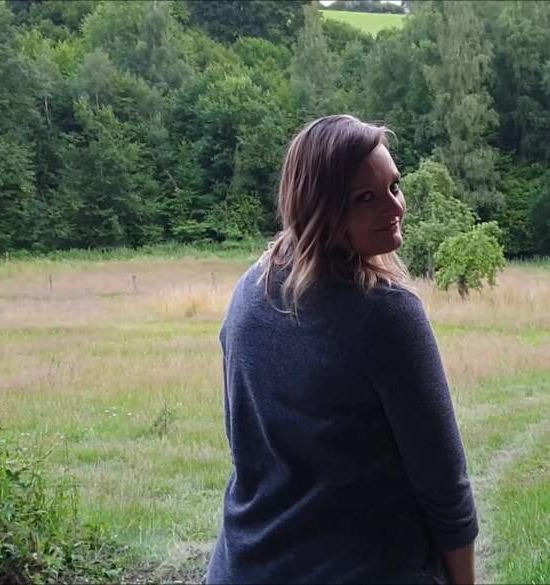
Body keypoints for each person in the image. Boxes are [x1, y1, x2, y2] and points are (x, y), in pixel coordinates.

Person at [205, 115, 478, 584]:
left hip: (241, 567)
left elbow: (247, 447)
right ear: (320, 207)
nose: (394, 207)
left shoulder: (250, 289)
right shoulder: (386, 315)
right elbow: (444, 486)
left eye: (394, 186)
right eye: (365, 198)